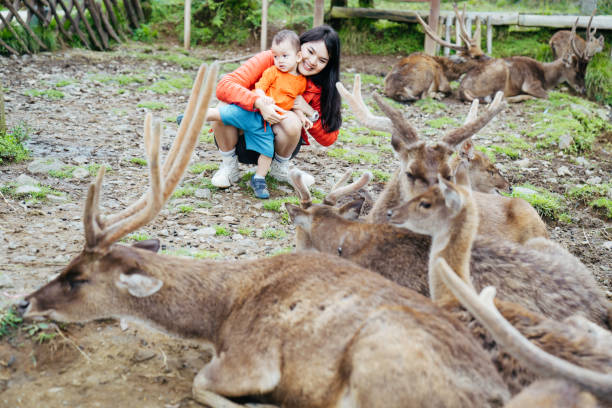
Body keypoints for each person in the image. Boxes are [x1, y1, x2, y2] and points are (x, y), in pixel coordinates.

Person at [208, 25, 342, 192]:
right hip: (242, 139)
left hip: (278, 145)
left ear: (328, 65)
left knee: (293, 121)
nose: (313, 61)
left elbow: (328, 139)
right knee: (224, 107)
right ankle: (229, 167)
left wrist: (309, 111)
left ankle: (281, 169)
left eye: (322, 60)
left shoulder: (319, 86)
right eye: (311, 51)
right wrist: (258, 102)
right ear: (299, 47)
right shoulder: (272, 59)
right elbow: (224, 86)